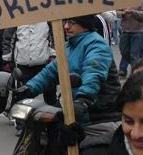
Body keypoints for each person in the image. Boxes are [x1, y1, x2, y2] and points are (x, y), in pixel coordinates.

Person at [15, 15, 121, 153]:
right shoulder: (69, 46)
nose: (66, 27)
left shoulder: (96, 45)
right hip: (73, 109)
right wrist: (27, 89)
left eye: (71, 23)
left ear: (85, 25)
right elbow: (50, 72)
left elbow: (94, 73)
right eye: (65, 22)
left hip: (96, 115)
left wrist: (84, 99)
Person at [2, 21, 52, 103]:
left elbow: (53, 37)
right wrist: (6, 59)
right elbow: (7, 38)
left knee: (50, 94)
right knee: (23, 96)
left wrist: (53, 54)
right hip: (23, 65)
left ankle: (53, 113)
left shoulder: (46, 19)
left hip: (44, 64)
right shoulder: (16, 18)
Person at [116, 0, 143, 77]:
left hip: (138, 30)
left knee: (134, 54)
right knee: (124, 51)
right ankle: (141, 68)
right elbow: (116, 12)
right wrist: (123, 13)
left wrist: (132, 11)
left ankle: (135, 75)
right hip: (125, 31)